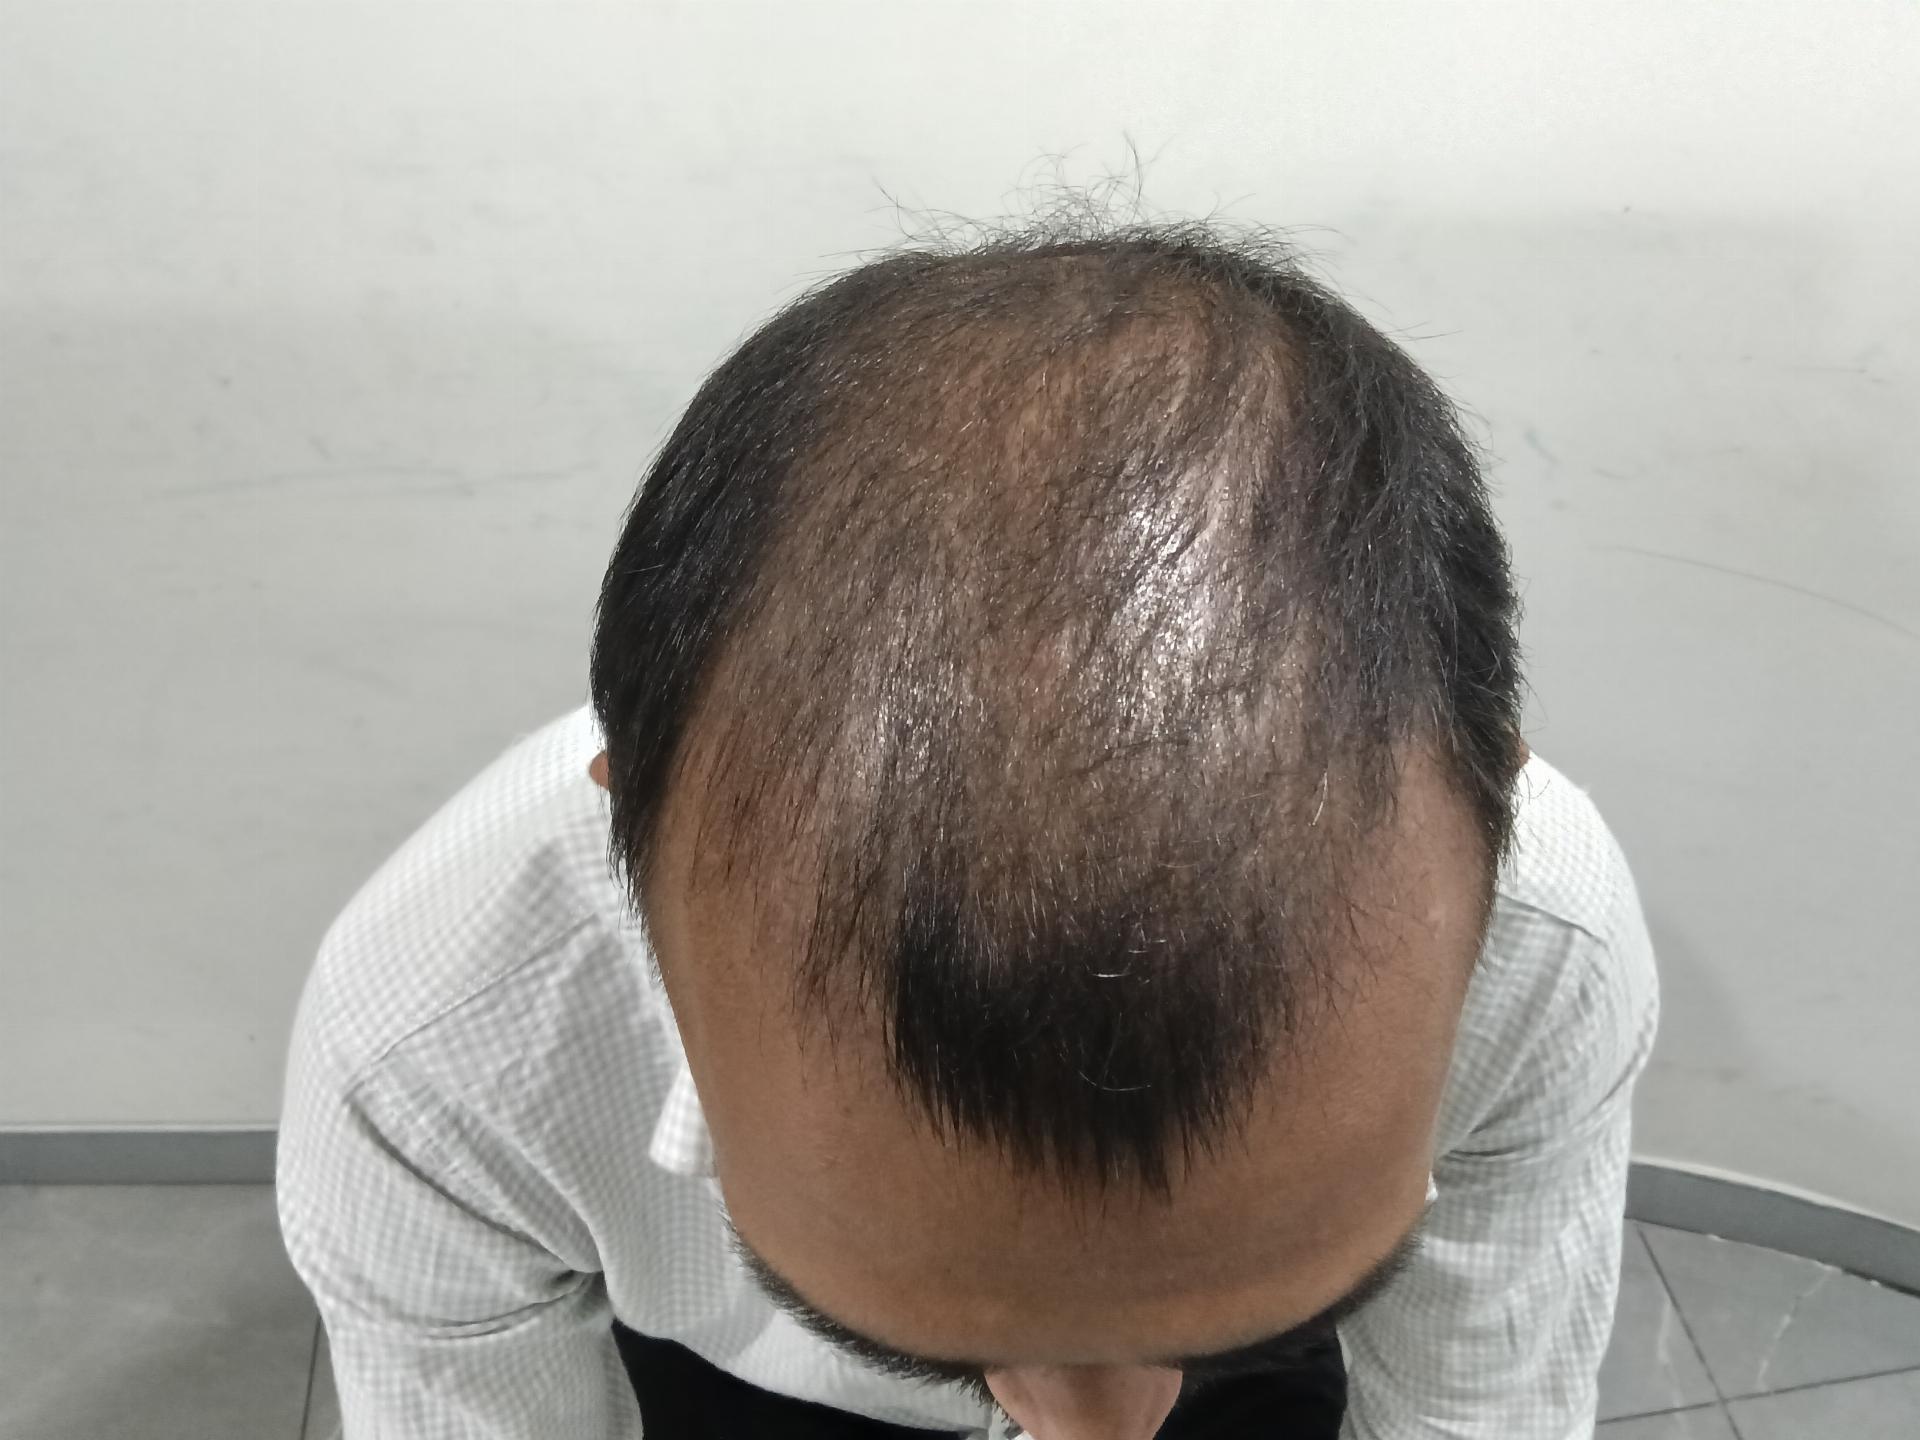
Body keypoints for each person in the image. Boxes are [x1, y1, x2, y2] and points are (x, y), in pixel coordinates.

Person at [276, 216, 1659, 1440]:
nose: (1098, 1434)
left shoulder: (1545, 944)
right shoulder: (439, 1044)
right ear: (625, 838)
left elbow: (1479, 1411)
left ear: (1498, 810)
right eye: (922, 1333)